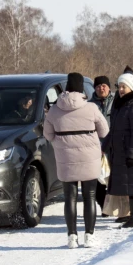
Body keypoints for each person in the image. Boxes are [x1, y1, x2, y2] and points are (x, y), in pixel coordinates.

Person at [43, 73, 109, 249]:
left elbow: (47, 135)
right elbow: (104, 131)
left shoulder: (54, 110)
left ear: (66, 88)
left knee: (69, 198)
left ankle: (72, 237)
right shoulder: (92, 108)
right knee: (90, 197)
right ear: (81, 88)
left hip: (65, 159)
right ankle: (89, 236)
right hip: (89, 158)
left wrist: (61, 140)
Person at [102, 71, 133, 228]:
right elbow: (114, 129)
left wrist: (132, 154)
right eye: (119, 86)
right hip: (124, 152)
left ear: (132, 87)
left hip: (132, 152)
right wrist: (104, 147)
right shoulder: (123, 105)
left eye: (124, 87)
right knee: (131, 183)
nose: (120, 90)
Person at [89, 75, 114, 213]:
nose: (101, 88)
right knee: (97, 181)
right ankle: (104, 206)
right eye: (98, 86)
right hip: (96, 147)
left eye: (104, 85)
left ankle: (114, 206)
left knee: (112, 179)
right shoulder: (90, 105)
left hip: (113, 146)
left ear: (109, 87)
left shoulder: (116, 102)